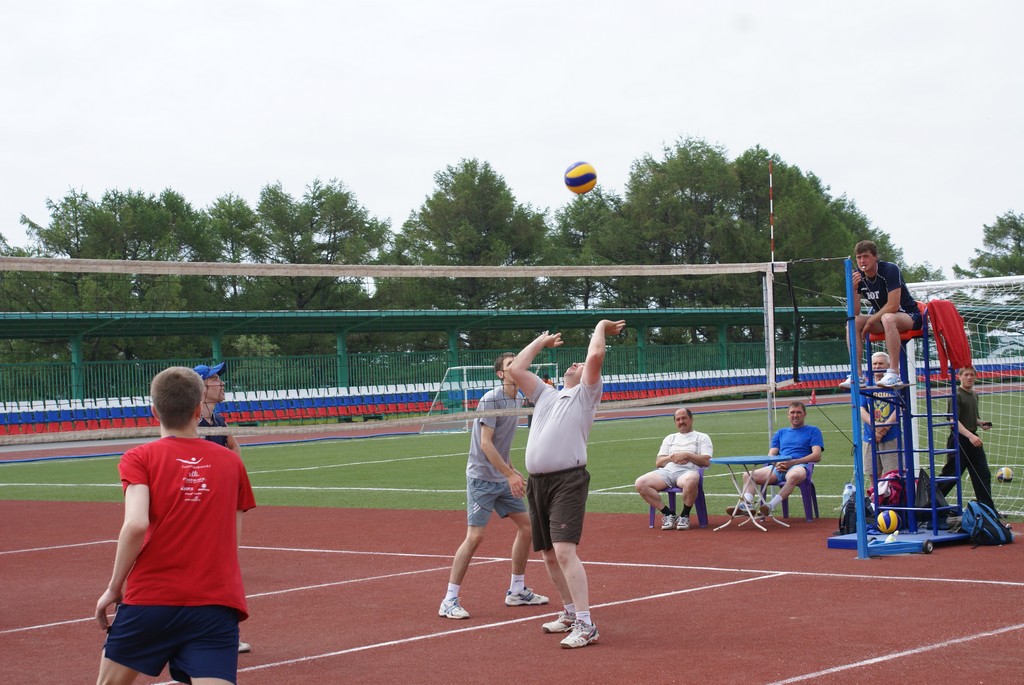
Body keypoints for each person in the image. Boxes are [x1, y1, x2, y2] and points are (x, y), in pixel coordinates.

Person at [94, 366, 256, 685]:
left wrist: (114, 587)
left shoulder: (139, 457)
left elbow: (137, 523)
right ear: (198, 410)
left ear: (154, 411)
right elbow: (232, 541)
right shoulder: (232, 462)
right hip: (215, 603)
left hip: (151, 599)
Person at [508, 319, 626, 649]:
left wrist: (601, 325)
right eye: (570, 364)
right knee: (547, 554)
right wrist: (539, 342)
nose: (575, 364)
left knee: (563, 550)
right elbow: (516, 369)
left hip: (567, 480)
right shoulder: (546, 394)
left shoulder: (585, 394)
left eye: (579, 363)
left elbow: (596, 356)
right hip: (538, 483)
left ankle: (587, 625)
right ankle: (572, 613)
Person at [438, 353, 549, 620]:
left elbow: (502, 443)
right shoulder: (491, 399)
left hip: (501, 477)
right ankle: (449, 600)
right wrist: (509, 475)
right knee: (475, 537)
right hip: (481, 478)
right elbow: (486, 444)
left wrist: (510, 470)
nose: (517, 367)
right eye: (510, 365)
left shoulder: (518, 398)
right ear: (501, 373)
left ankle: (516, 590)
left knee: (528, 527)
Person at [193, 361, 251, 654]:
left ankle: (218, 632)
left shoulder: (217, 420)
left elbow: (233, 446)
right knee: (209, 569)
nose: (222, 384)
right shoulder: (191, 422)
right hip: (199, 505)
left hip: (218, 501)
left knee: (222, 566)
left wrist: (234, 477)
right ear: (201, 386)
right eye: (216, 379)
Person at [841, 240, 923, 389]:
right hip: (883, 319)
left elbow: (893, 305)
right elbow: (854, 312)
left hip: (908, 315)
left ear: (875, 257)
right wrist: (853, 289)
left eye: (865, 256)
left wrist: (870, 322)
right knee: (853, 322)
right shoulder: (857, 276)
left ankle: (893, 373)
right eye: (858, 257)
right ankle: (857, 375)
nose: (862, 261)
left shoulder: (890, 270)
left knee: (888, 317)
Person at [730, 401, 823, 518]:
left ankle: (770, 506)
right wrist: (777, 463)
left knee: (793, 476)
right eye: (792, 412)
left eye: (799, 412)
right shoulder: (781, 432)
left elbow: (817, 455)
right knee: (748, 475)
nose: (795, 415)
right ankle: (747, 504)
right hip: (778, 467)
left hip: (799, 466)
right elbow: (771, 455)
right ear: (788, 415)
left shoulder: (813, 430)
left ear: (804, 414)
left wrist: (793, 462)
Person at [634, 408, 713, 531]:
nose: (681, 421)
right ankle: (668, 513)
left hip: (687, 472)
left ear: (691, 419)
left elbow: (707, 461)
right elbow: (659, 462)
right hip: (667, 472)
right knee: (640, 483)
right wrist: (672, 458)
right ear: (675, 422)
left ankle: (684, 515)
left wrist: (687, 455)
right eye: (678, 419)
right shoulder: (670, 438)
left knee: (692, 479)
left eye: (684, 418)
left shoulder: (702, 437)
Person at [937, 366, 996, 511]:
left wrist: (980, 423)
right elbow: (953, 421)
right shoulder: (956, 395)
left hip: (972, 438)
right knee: (951, 475)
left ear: (976, 377)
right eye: (966, 375)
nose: (969, 378)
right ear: (960, 377)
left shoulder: (974, 395)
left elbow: (969, 417)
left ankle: (987, 509)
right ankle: (928, 504)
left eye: (972, 375)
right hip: (959, 439)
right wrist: (969, 436)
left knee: (983, 474)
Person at [859, 352, 901, 490]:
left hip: (890, 436)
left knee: (892, 476)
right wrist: (875, 424)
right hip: (870, 436)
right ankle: (875, 504)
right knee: (873, 475)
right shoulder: (866, 385)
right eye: (875, 364)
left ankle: (893, 505)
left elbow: (899, 409)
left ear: (888, 366)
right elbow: (861, 409)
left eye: (881, 363)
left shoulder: (894, 384)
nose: (877, 366)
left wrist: (884, 428)